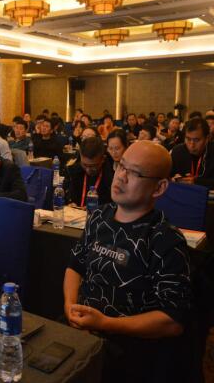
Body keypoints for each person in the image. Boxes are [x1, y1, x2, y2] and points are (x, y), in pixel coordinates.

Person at [63, 141, 191, 383]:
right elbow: (75, 266)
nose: (121, 177)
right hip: (81, 335)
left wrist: (107, 324)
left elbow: (172, 321)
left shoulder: (166, 240)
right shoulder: (99, 216)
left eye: (134, 173)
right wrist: (70, 306)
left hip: (128, 352)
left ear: (159, 187)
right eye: (121, 166)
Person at [64, 136, 113, 207]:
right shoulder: (74, 172)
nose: (88, 169)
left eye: (93, 166)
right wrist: (71, 203)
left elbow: (112, 204)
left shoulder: (111, 176)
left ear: (103, 159)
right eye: (84, 165)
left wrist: (96, 208)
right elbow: (68, 195)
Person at [170, 118, 214, 189]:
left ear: (207, 138)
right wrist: (174, 178)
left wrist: (196, 182)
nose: (191, 145)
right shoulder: (177, 151)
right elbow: (168, 174)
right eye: (188, 139)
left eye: (196, 140)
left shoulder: (212, 151)